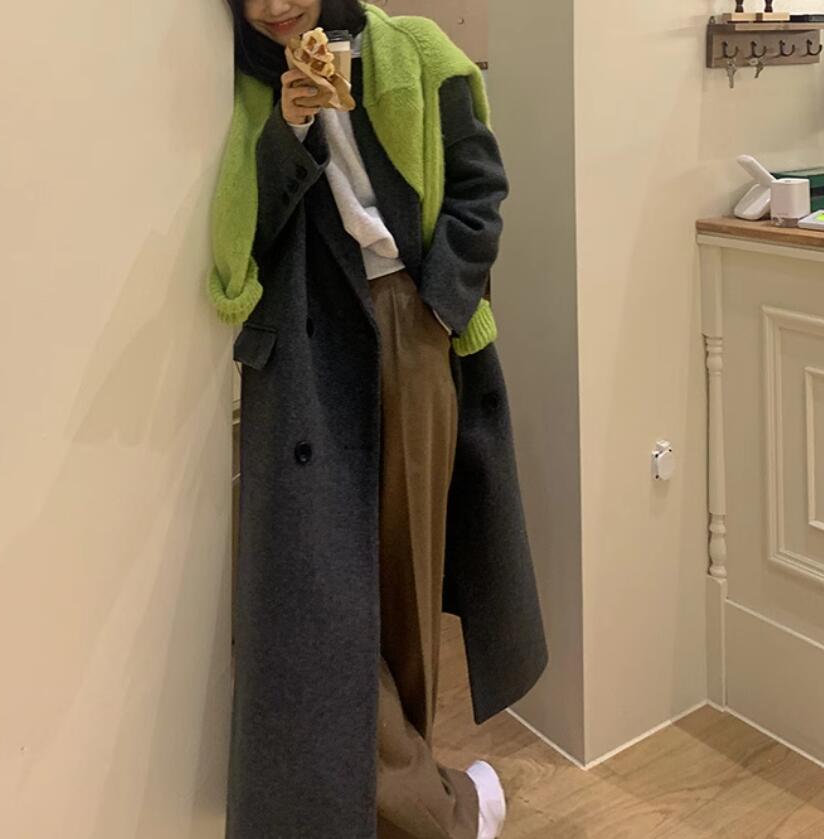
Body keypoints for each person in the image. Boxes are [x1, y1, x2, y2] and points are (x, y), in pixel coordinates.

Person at [209, 1, 549, 837]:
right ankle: (433, 809)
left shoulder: (418, 51)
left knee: (407, 576)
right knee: (318, 606)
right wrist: (290, 130)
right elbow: (247, 235)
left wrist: (437, 307)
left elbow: (479, 186)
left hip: (407, 318)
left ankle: (407, 795)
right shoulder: (246, 86)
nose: (273, 6)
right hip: (307, 347)